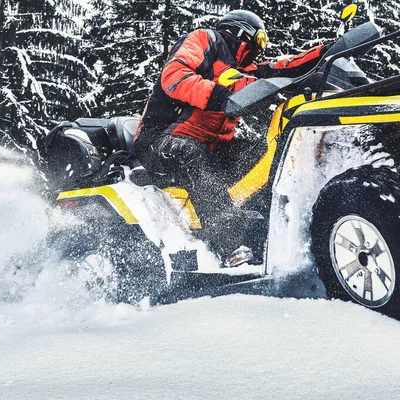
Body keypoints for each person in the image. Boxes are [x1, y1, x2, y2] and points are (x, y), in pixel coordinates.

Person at [133, 10, 327, 266]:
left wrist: (329, 50)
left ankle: (264, 231)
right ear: (241, 31)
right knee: (191, 154)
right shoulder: (205, 40)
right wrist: (221, 95)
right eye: (259, 40)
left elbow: (284, 67)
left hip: (211, 145)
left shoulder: (245, 69)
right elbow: (174, 77)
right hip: (160, 140)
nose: (261, 47)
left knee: (264, 154)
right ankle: (230, 246)